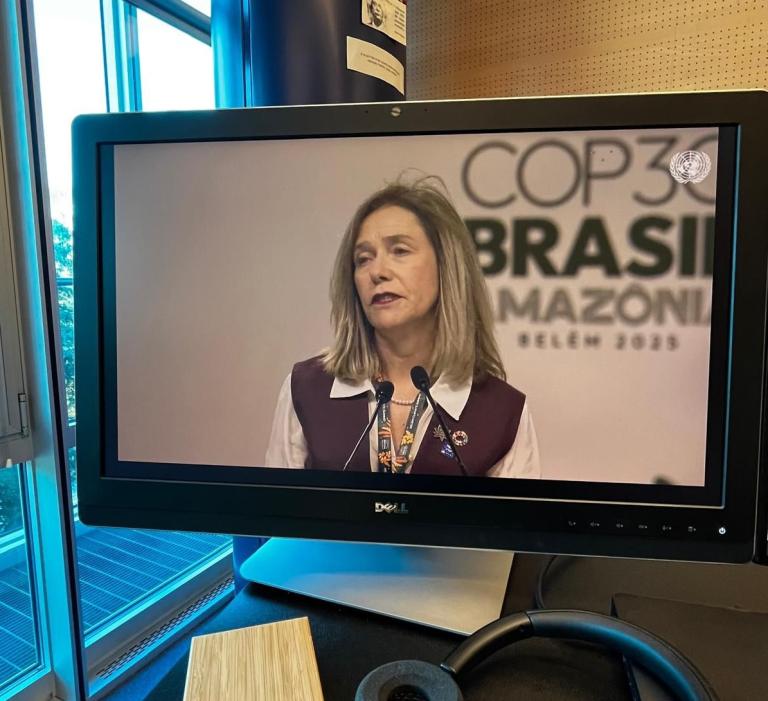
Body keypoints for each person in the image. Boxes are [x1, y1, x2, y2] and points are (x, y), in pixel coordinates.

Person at [265, 178, 540, 477]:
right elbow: (272, 519)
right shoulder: (306, 389)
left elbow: (511, 525)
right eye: (363, 259)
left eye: (400, 251)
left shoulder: (502, 412)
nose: (377, 272)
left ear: (446, 265)